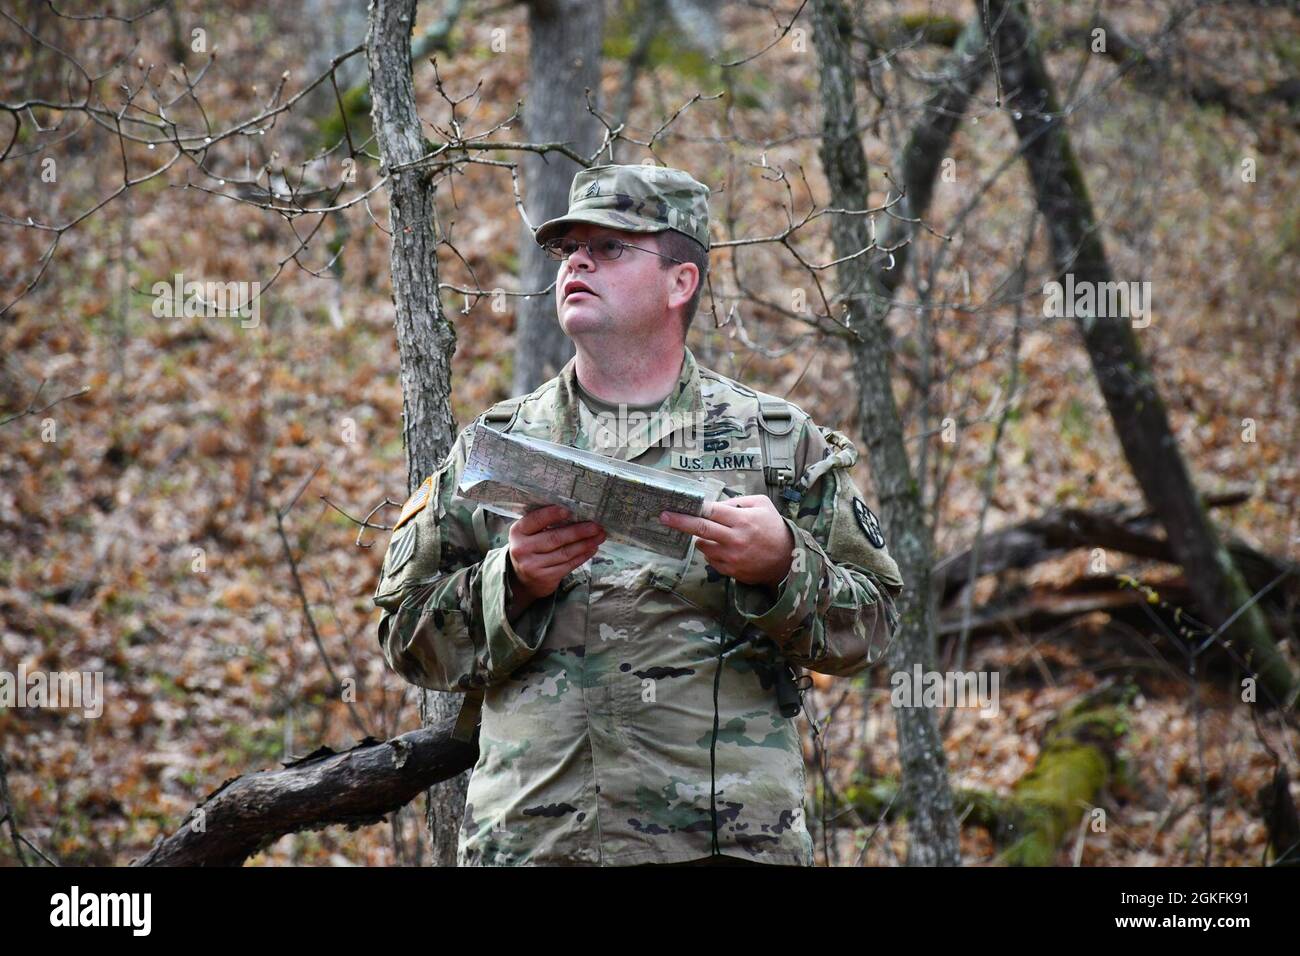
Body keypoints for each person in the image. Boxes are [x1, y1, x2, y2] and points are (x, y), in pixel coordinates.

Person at [372, 163, 904, 867]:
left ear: (680, 282)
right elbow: (404, 637)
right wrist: (513, 582)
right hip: (539, 844)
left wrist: (783, 568)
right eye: (569, 250)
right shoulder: (500, 448)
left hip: (723, 843)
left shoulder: (773, 441)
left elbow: (876, 626)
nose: (579, 262)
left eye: (612, 247)